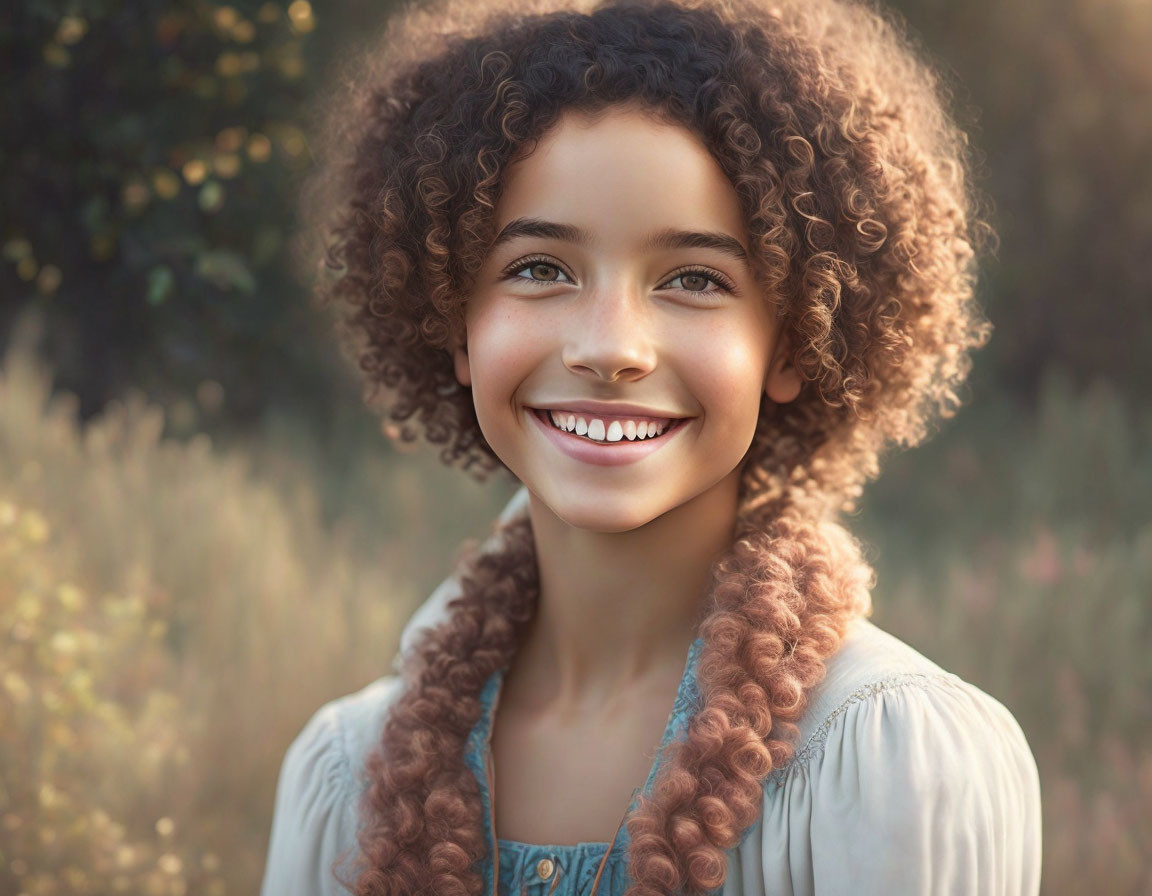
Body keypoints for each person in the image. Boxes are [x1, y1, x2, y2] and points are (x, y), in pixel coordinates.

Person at [261, 0, 1042, 893]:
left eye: (695, 279)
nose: (610, 346)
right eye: (540, 268)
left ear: (790, 343)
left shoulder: (890, 758)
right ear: (456, 322)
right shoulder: (342, 777)